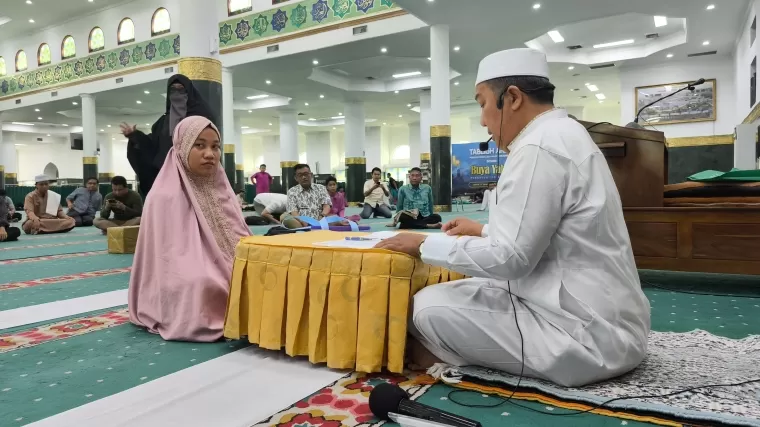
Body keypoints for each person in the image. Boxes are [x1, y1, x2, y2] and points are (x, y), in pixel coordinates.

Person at [376, 48, 650, 387]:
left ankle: (449, 358)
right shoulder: (564, 133)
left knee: (426, 306)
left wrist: (423, 245)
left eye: (482, 103)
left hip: (584, 339)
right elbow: (551, 234)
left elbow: (511, 259)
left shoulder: (537, 148)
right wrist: (483, 229)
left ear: (513, 98)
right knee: (470, 286)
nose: (482, 119)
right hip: (609, 323)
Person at [129, 116, 250, 342]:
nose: (210, 154)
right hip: (183, 268)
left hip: (233, 257)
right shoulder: (163, 196)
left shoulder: (222, 189)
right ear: (182, 147)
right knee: (201, 283)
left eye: (215, 147)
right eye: (199, 145)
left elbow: (241, 236)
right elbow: (169, 260)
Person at [124, 74, 216, 197]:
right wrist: (135, 136)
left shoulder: (201, 118)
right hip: (167, 178)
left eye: (181, 89)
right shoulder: (162, 122)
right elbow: (154, 148)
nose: (177, 94)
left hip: (194, 178)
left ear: (189, 92)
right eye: (173, 90)